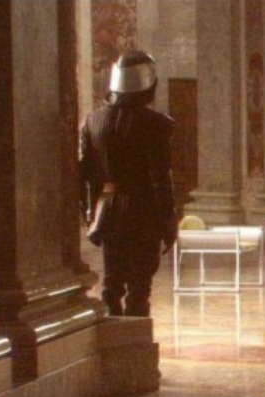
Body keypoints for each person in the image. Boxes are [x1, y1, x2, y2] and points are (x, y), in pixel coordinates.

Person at [79, 49, 176, 317]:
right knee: (139, 287)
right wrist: (169, 218)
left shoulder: (92, 121)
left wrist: (90, 213)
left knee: (111, 284)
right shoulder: (158, 124)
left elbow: (85, 175)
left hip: (108, 209)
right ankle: (135, 340)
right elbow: (161, 177)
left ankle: (112, 337)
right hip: (144, 210)